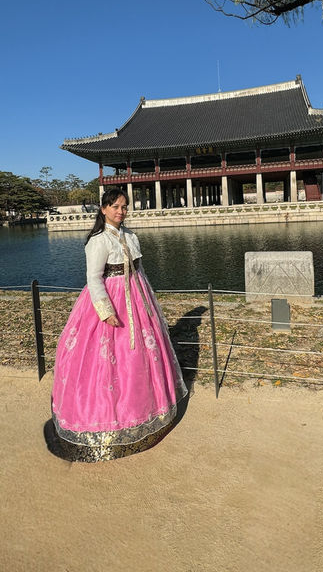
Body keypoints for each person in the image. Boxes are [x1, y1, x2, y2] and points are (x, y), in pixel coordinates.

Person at [47, 188, 188, 462]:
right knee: (106, 362)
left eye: (124, 207)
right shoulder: (98, 241)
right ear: (104, 209)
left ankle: (147, 410)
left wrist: (149, 303)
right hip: (110, 299)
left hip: (136, 296)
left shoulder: (131, 237)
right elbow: (93, 278)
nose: (120, 211)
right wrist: (104, 310)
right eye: (115, 206)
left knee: (139, 356)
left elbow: (140, 270)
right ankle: (107, 419)